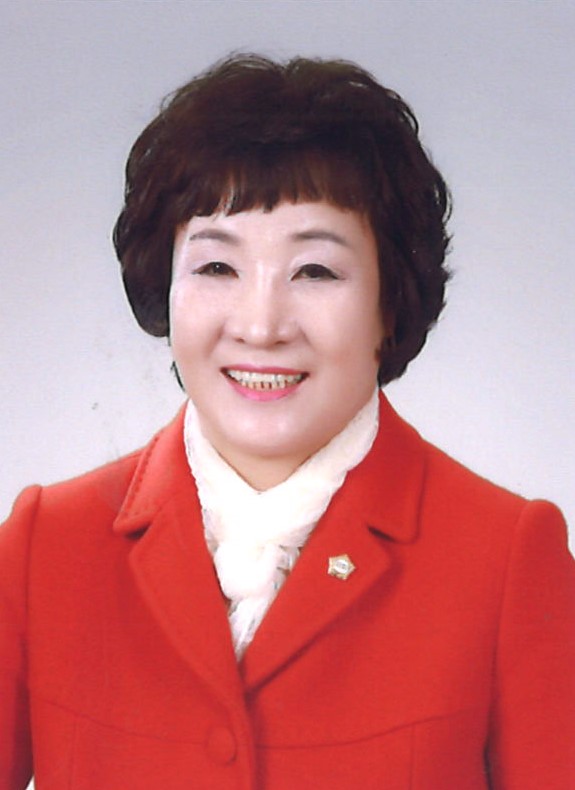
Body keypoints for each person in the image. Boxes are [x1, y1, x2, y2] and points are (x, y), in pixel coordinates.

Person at [1, 53, 574, 790]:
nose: (261, 325)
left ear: (390, 300)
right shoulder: (47, 547)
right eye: (216, 268)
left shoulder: (504, 560)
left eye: (315, 271)